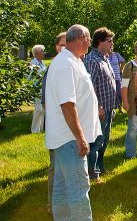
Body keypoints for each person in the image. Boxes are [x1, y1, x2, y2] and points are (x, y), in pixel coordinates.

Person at [45, 24, 101, 220]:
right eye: (88, 39)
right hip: (69, 139)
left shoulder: (74, 60)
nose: (90, 43)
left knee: (62, 187)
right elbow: (67, 104)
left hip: (65, 138)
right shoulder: (65, 64)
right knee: (78, 189)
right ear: (79, 39)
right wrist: (80, 137)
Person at [84, 27, 118, 182]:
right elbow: (89, 87)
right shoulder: (92, 60)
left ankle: (100, 167)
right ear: (99, 42)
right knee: (96, 142)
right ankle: (92, 173)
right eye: (109, 40)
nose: (112, 43)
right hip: (99, 110)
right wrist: (98, 107)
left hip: (108, 108)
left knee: (104, 141)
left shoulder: (105, 58)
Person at [41, 32, 67, 214]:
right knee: (55, 166)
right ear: (57, 47)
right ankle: (51, 203)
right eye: (62, 44)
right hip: (58, 127)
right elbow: (45, 101)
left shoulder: (73, 63)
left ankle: (64, 199)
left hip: (71, 127)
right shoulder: (53, 68)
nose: (65, 47)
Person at [30, 44, 46, 133]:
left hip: (42, 88)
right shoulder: (33, 63)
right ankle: (34, 130)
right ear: (37, 53)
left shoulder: (42, 63)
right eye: (42, 51)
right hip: (36, 88)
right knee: (38, 109)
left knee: (43, 109)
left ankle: (40, 129)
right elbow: (29, 77)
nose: (44, 53)